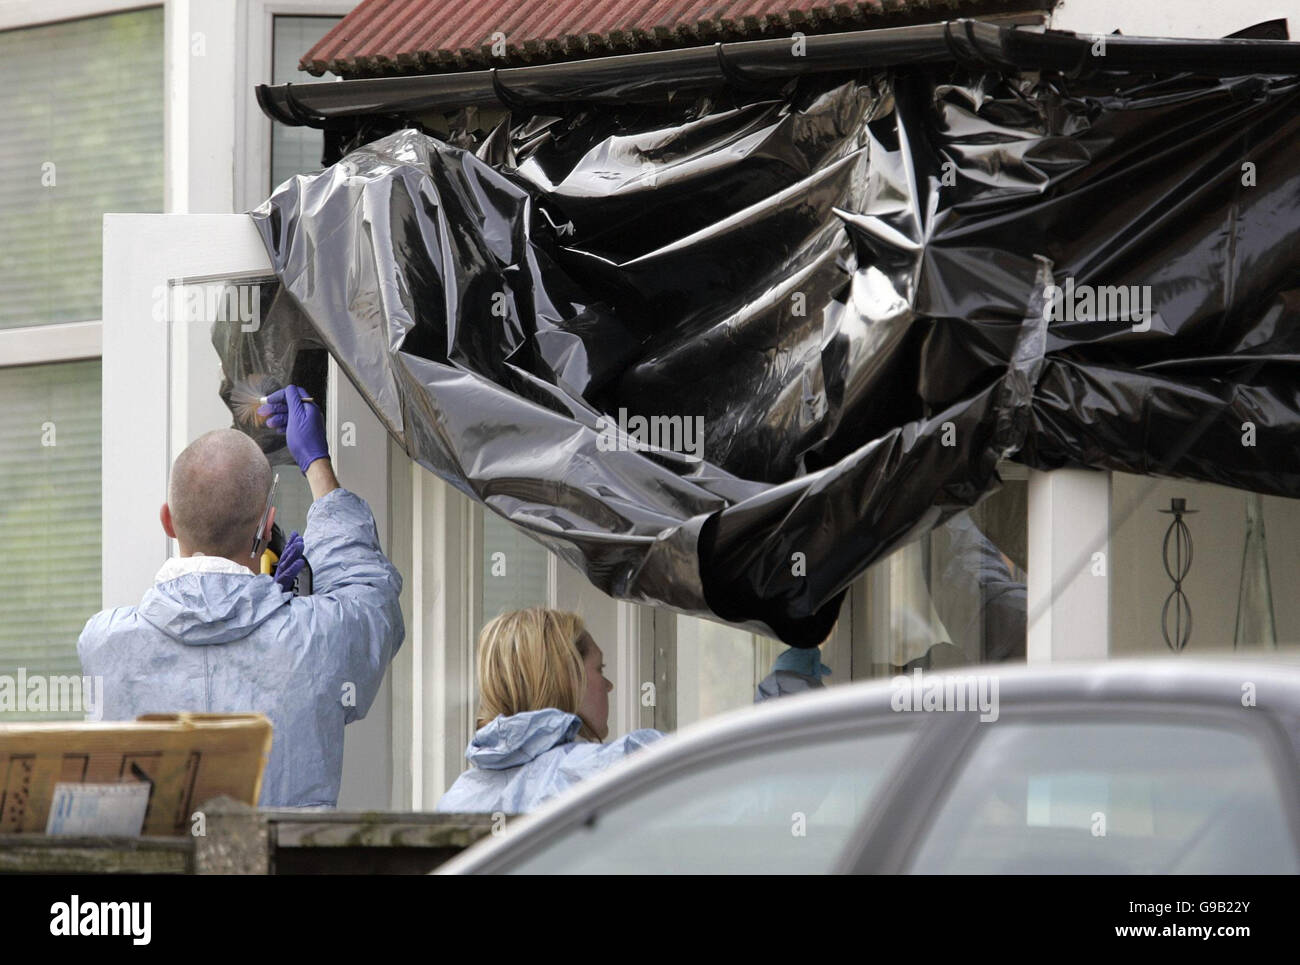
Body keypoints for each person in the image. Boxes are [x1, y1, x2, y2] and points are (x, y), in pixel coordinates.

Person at [78, 386, 403, 807]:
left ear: (168, 521)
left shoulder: (103, 644)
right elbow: (371, 597)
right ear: (268, 529)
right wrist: (317, 464)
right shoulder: (317, 638)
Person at [437, 607, 831, 814]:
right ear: (568, 679)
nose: (608, 684)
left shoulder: (458, 798)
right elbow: (767, 799)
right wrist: (790, 684)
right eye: (599, 669)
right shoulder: (606, 772)